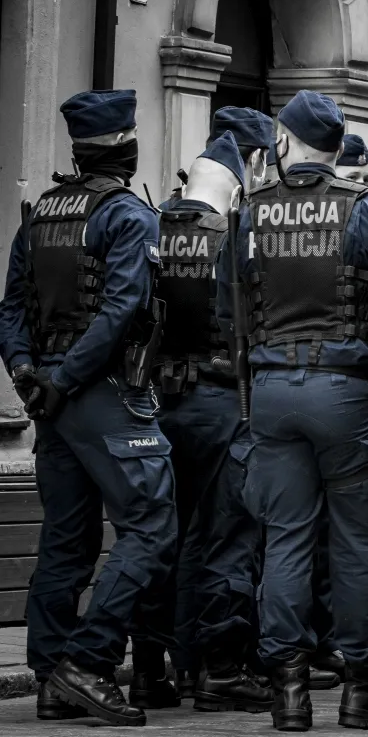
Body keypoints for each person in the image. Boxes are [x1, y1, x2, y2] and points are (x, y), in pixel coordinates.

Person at [218, 89, 368, 731]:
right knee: (360, 544)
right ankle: (363, 689)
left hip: (272, 394)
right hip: (349, 394)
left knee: (286, 542)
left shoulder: (249, 215)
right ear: (334, 152)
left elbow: (230, 310)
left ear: (284, 143)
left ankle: (289, 693)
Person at [0, 89, 177, 725]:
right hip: (104, 396)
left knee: (66, 540)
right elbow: (123, 308)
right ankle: (90, 661)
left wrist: (28, 375)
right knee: (152, 525)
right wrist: (67, 377)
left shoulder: (41, 213)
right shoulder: (127, 214)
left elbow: (11, 309)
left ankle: (51, 678)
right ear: (125, 148)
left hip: (51, 397)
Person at [144, 132, 273, 713]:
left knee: (155, 537)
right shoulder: (234, 235)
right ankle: (217, 668)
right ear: (249, 166)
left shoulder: (148, 225)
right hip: (223, 405)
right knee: (226, 537)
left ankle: (151, 669)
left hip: (151, 404)